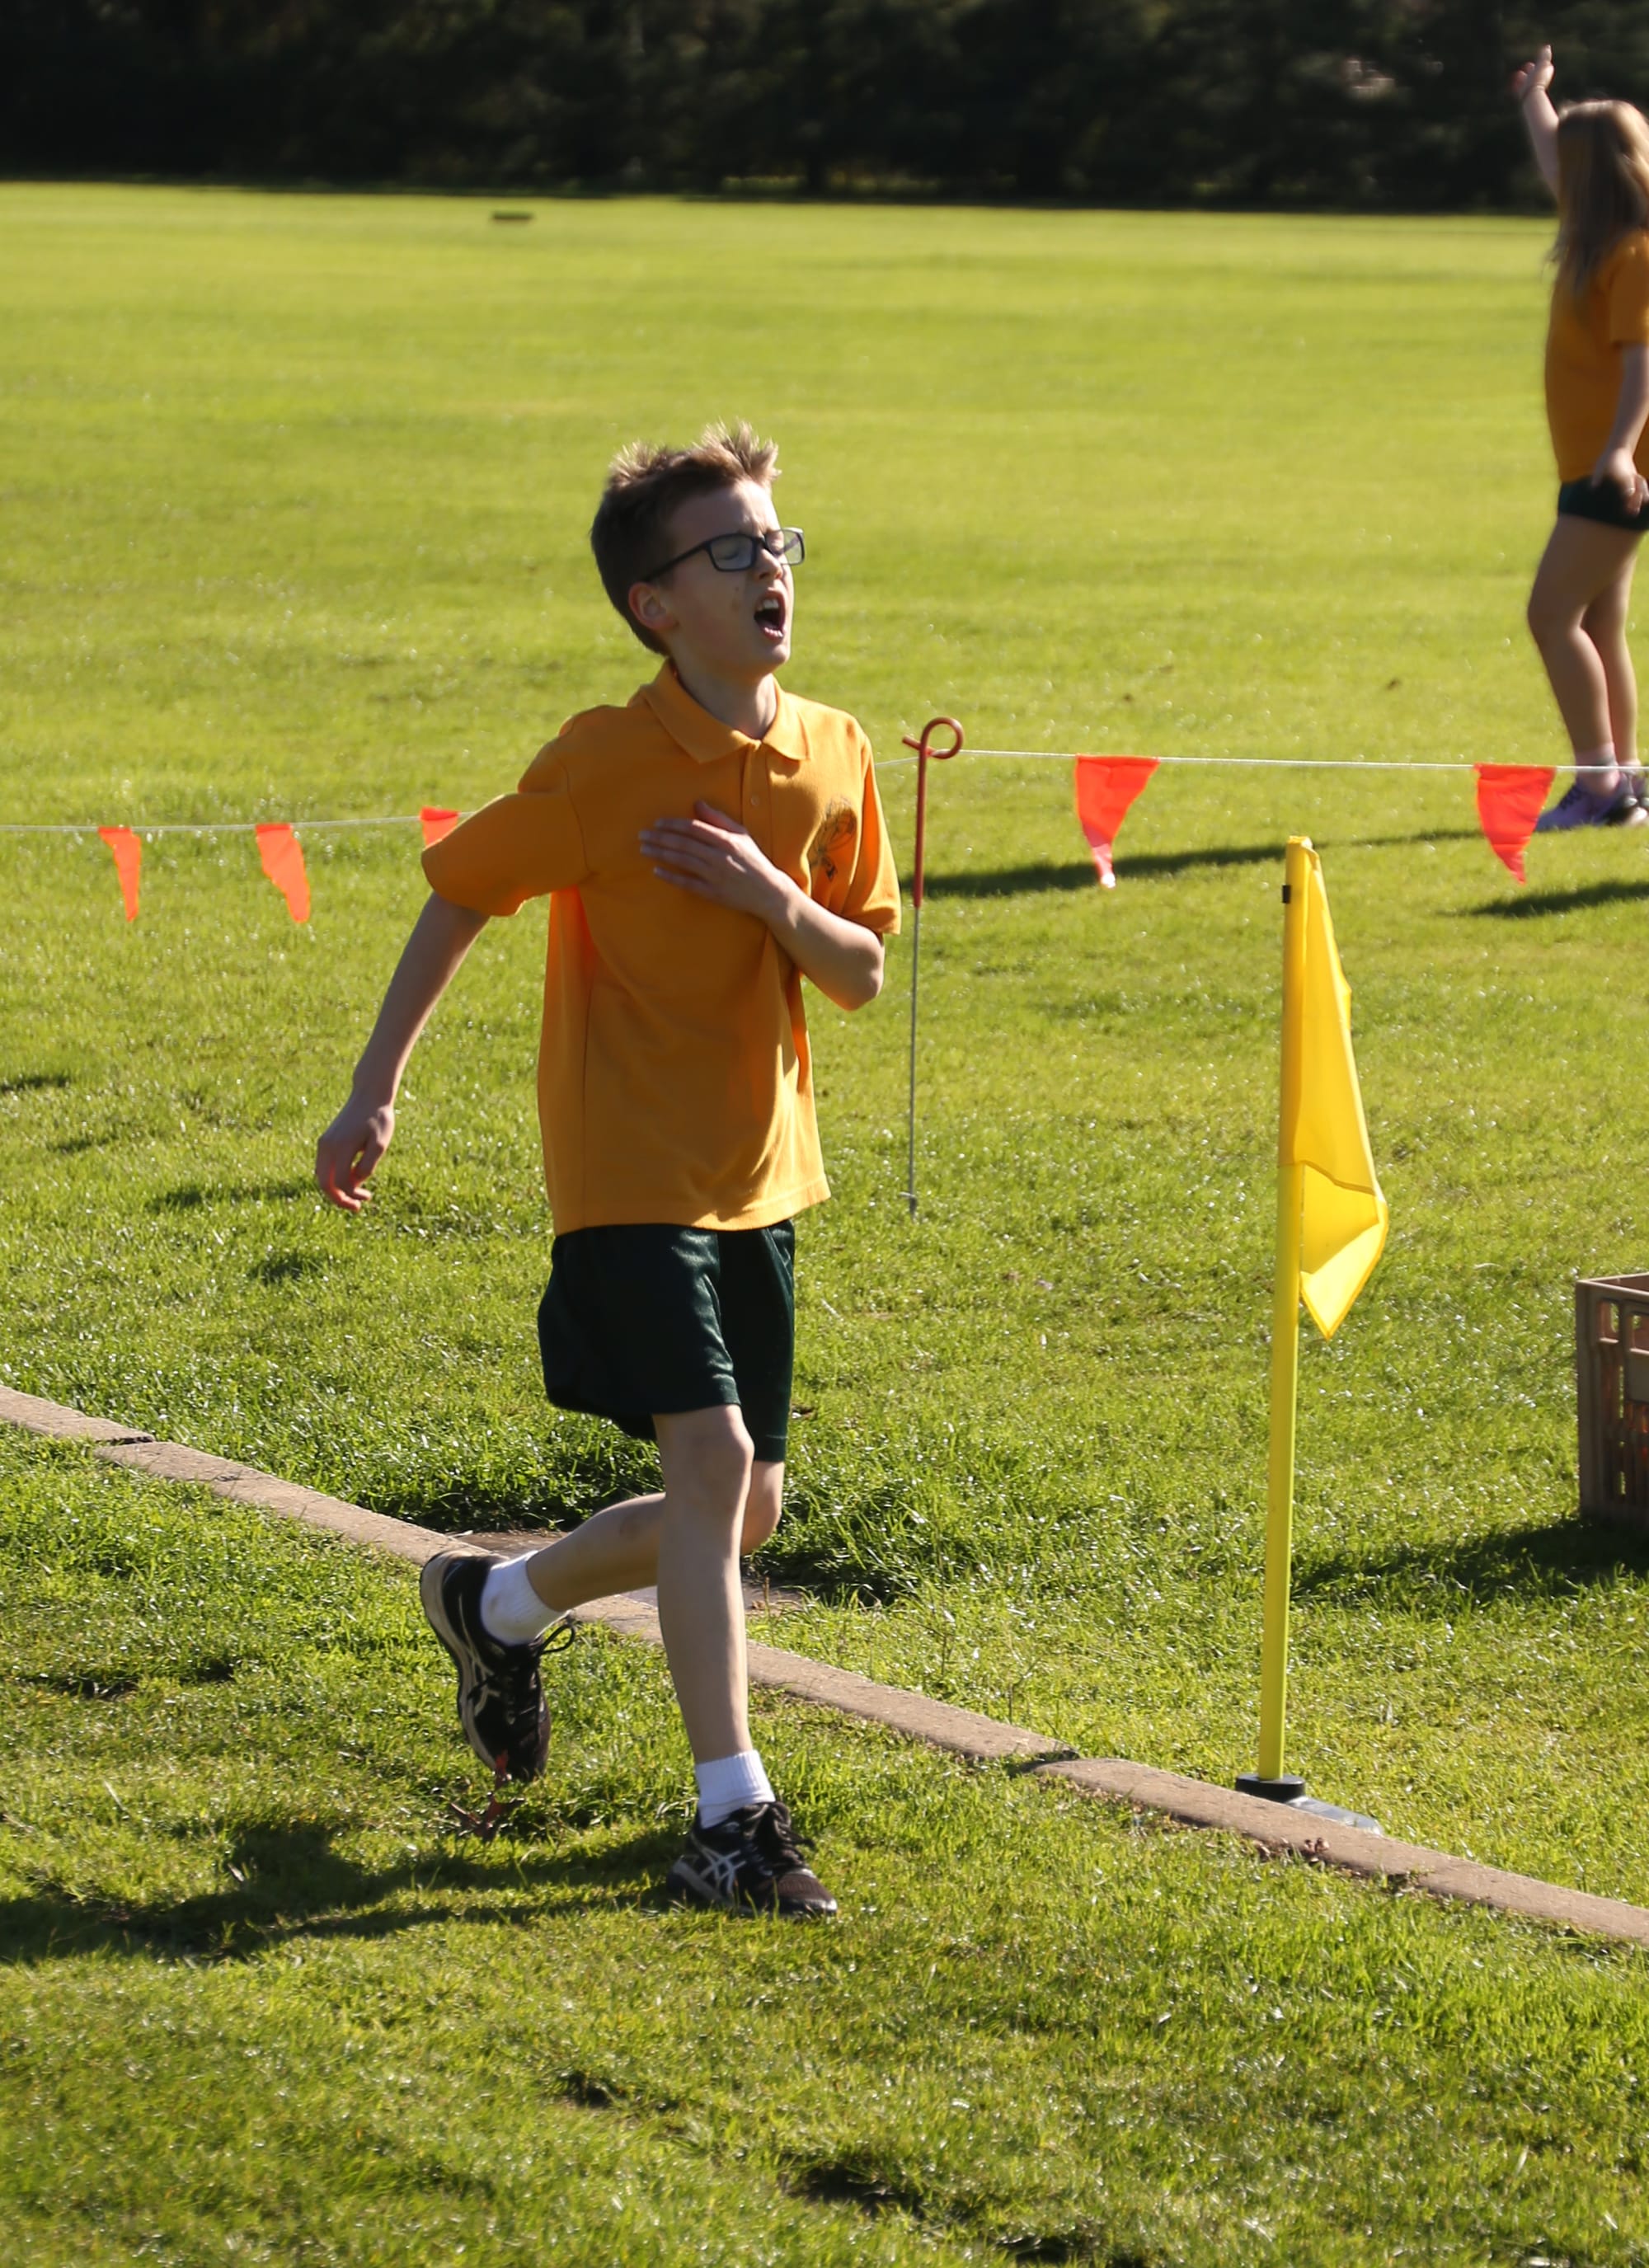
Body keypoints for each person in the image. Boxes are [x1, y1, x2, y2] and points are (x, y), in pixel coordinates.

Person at [314, 421, 900, 1917]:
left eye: (778, 540)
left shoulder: (834, 750)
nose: (771, 569)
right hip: (627, 1168)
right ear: (657, 605)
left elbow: (861, 973)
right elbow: (460, 894)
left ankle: (498, 1602)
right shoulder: (602, 760)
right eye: (733, 549)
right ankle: (732, 1819)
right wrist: (376, 1088)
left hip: (764, 1175)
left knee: (747, 1509)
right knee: (706, 1466)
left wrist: (769, 894)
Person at [1515, 46, 1649, 830]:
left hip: (1617, 470)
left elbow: (1643, 365)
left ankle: (1601, 784)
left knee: (1551, 614)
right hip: (1597, 464)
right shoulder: (1594, 233)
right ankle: (1625, 781)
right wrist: (1535, 97)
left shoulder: (1634, 254)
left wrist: (1620, 451)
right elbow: (1550, 154)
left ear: (1593, 174)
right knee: (1598, 623)